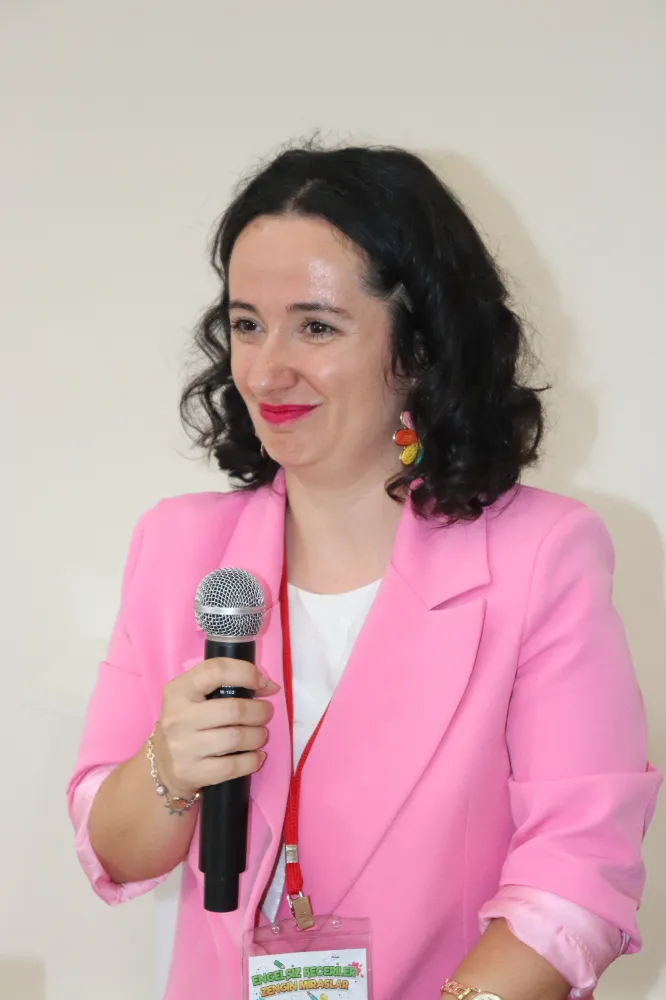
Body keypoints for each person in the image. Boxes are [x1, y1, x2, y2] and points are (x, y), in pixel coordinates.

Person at [67, 142, 661, 1000]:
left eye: (316, 326)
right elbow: (114, 853)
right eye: (246, 324)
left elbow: (576, 876)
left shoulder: (541, 554)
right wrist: (169, 766)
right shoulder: (178, 548)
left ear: (418, 347)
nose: (267, 369)